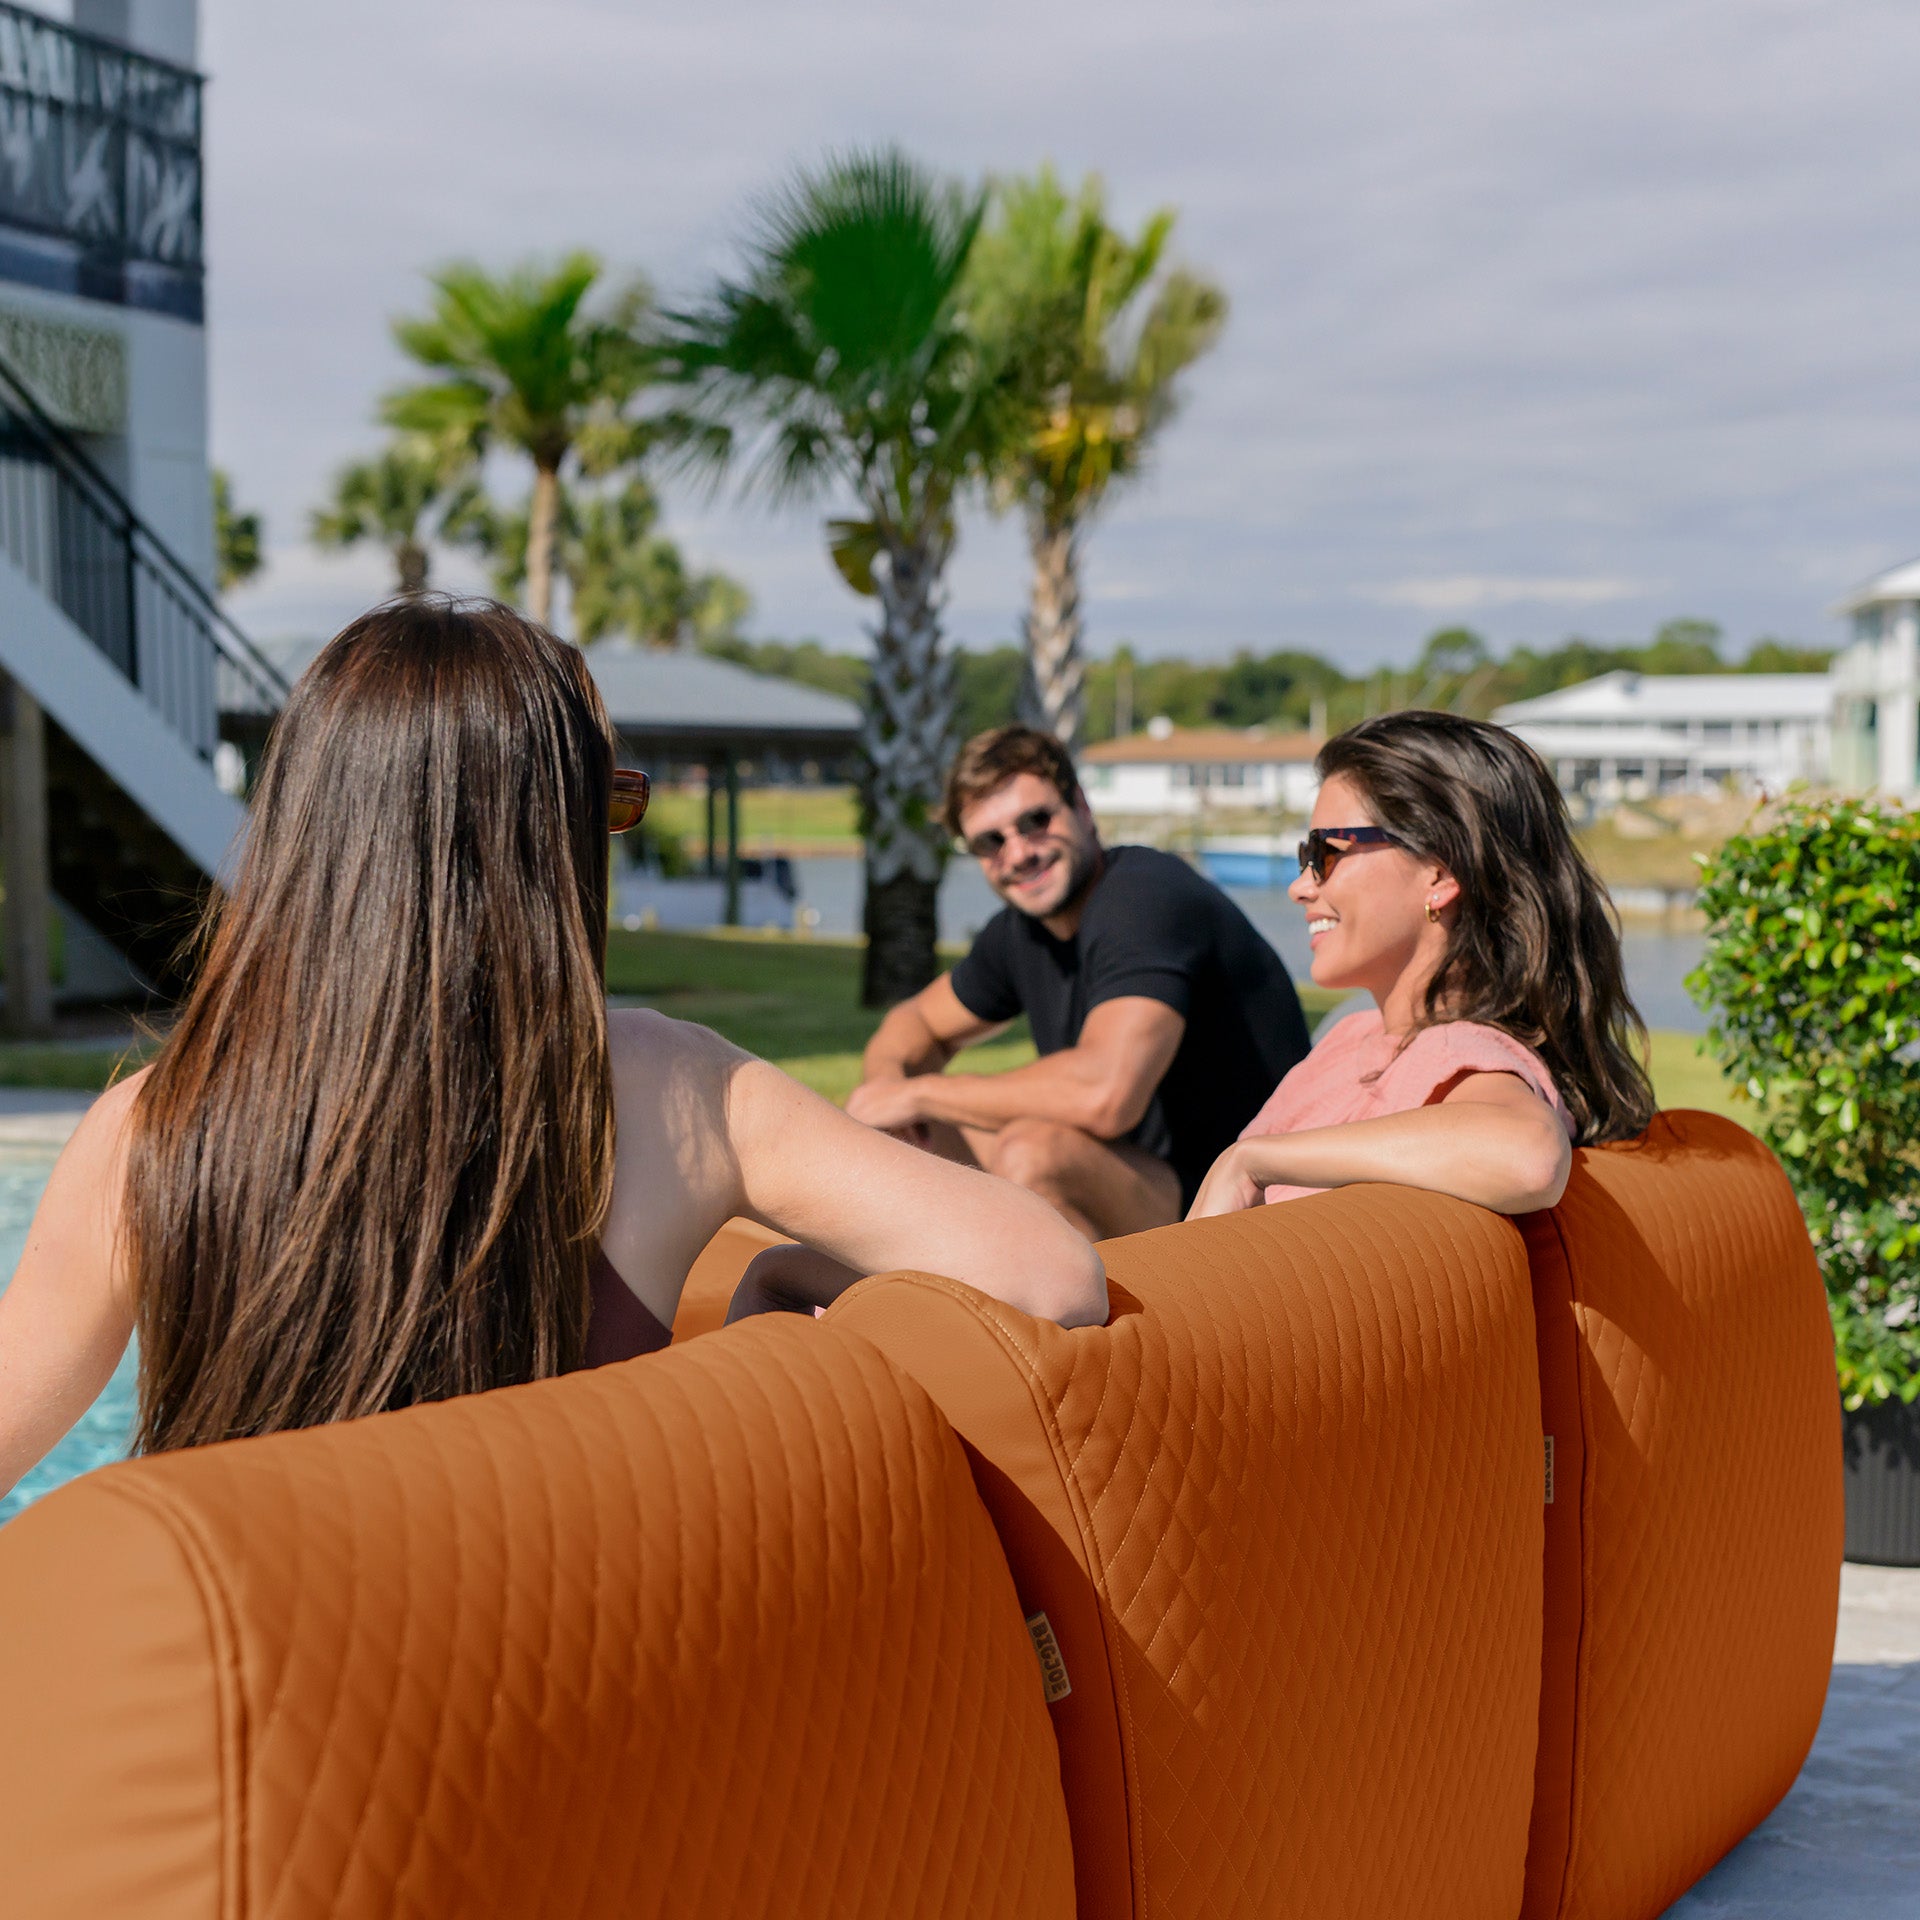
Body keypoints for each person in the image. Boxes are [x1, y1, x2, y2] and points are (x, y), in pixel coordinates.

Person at [0, 599, 1105, 1496]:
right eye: (610, 807)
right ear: (544, 845)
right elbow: (1055, 1278)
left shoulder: (149, 1129)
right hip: (554, 1735)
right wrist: (777, 1305)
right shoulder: (669, 1089)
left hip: (257, 1742)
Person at [843, 725, 1312, 1239]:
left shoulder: (1145, 898)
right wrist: (888, 1091)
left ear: (1082, 808)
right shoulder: (1021, 933)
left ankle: (1068, 1314)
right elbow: (911, 1023)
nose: (1019, 853)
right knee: (919, 1135)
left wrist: (921, 1094)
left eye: (1036, 821)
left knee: (1033, 1150)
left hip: (1244, 1201)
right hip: (1145, 1182)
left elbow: (1105, 1095)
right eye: (990, 841)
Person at [1186, 710, 1656, 1221]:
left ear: (1439, 874)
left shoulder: (1455, 1050)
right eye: (1305, 855)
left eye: (1327, 852)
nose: (1300, 886)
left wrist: (1252, 1162)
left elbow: (1528, 1155)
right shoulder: (1356, 1038)